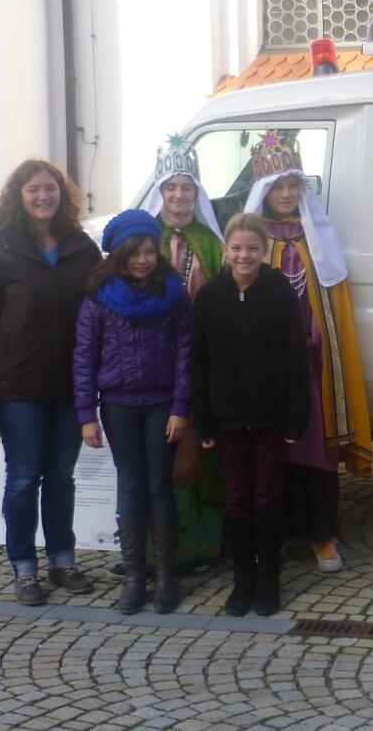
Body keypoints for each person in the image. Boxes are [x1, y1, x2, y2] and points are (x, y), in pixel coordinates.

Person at [0, 159, 100, 606]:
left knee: (61, 476)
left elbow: (106, 308)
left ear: (64, 195)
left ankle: (62, 560)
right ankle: (24, 569)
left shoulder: (82, 249)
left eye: (51, 189)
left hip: (70, 386)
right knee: (22, 479)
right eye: (34, 189)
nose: (44, 196)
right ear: (18, 198)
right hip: (18, 387)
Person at [243, 131, 373, 573]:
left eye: (292, 186)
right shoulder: (250, 243)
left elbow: (330, 300)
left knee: (314, 450)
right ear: (263, 192)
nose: (284, 194)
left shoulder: (315, 237)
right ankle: (272, 536)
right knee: (267, 450)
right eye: (276, 187)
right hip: (264, 369)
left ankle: (322, 535)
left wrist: (314, 341)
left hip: (311, 367)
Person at [191, 213, 312, 617]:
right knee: (238, 496)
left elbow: (296, 358)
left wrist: (296, 416)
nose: (245, 255)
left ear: (265, 251)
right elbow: (200, 361)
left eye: (253, 249)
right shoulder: (210, 297)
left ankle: (268, 579)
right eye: (237, 248)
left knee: (268, 494)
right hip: (227, 417)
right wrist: (203, 419)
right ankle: (242, 580)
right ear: (226, 250)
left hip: (269, 415)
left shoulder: (279, 293)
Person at [74, 210, 192, 615]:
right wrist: (86, 413)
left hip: (161, 404)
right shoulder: (100, 296)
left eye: (149, 251)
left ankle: (166, 576)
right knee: (130, 484)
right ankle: (134, 576)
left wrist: (181, 406)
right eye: (135, 252)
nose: (143, 259)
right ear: (119, 255)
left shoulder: (173, 292)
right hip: (120, 404)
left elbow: (186, 353)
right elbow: (84, 356)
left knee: (159, 485)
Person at [136, 134, 226, 577]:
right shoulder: (143, 239)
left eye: (186, 188)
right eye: (171, 187)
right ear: (160, 191)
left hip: (198, 357)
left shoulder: (210, 243)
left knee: (197, 450)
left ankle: (201, 545)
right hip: (151, 359)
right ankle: (152, 550)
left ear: (197, 193)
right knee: (155, 453)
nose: (178, 196)